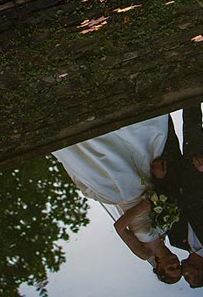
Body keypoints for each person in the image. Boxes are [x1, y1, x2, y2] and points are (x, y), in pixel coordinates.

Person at [53, 115, 181, 283]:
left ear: (159, 268)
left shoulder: (144, 253)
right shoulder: (166, 231)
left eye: (171, 268)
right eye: (178, 266)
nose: (175, 263)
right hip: (146, 184)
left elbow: (120, 227)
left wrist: (142, 208)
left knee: (112, 161)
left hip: (125, 193)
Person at [154, 106, 203, 289]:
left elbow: (165, 206)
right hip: (197, 170)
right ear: (198, 272)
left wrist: (159, 178)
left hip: (171, 175)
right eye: (187, 277)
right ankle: (191, 86)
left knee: (162, 131)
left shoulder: (176, 240)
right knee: (193, 125)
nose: (183, 274)